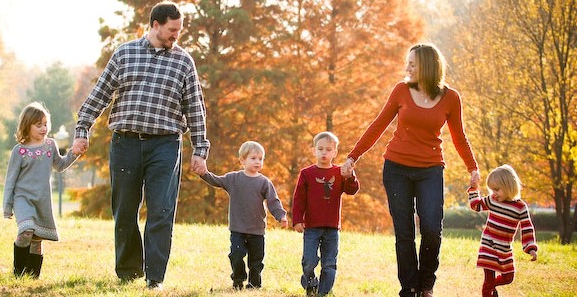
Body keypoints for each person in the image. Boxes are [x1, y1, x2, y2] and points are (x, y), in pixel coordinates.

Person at [70, 1, 210, 290]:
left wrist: (200, 150)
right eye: (172, 29)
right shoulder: (125, 53)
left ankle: (154, 278)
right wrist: (82, 128)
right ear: (155, 24)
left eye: (179, 30)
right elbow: (100, 94)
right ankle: (128, 272)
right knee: (124, 210)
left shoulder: (184, 61)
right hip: (126, 143)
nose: (176, 35)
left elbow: (195, 109)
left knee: (161, 210)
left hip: (165, 145)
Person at [341, 43, 481, 297]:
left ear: (427, 66)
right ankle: (409, 288)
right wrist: (353, 156)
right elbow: (379, 125)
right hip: (396, 169)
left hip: (430, 170)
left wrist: (472, 167)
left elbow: (459, 136)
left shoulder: (451, 98)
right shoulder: (401, 91)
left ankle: (426, 285)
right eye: (407, 63)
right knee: (404, 232)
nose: (407, 68)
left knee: (431, 229)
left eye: (412, 63)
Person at [194, 141, 288, 290]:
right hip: (238, 229)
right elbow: (216, 180)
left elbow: (273, 201)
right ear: (243, 160)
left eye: (260, 158)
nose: (257, 161)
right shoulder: (233, 179)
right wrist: (204, 174)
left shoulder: (264, 182)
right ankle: (238, 280)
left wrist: (281, 216)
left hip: (257, 230)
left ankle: (254, 284)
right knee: (236, 255)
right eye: (253, 158)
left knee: (256, 261)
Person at [3, 102, 79, 279]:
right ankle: (18, 273)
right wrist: (7, 206)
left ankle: (32, 277)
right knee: (26, 231)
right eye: (39, 125)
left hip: (42, 199)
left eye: (45, 124)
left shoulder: (50, 146)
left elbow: (60, 166)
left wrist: (73, 153)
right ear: (27, 125)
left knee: (36, 239)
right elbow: (10, 181)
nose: (44, 128)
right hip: (22, 199)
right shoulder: (19, 151)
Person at [293, 132, 359, 297]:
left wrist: (350, 176)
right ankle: (310, 283)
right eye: (320, 149)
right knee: (309, 262)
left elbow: (352, 190)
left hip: (331, 227)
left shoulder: (339, 173)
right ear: (313, 150)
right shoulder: (307, 173)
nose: (324, 152)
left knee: (329, 263)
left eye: (328, 149)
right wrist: (297, 220)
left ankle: (323, 292)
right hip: (312, 227)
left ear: (335, 152)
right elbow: (299, 198)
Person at [468, 164, 538, 297]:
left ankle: (490, 288)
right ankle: (489, 290)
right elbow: (476, 205)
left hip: (504, 249)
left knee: (508, 278)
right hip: (488, 246)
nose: (493, 193)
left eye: (497, 189)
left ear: (509, 186)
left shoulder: (520, 207)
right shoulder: (493, 200)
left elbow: (527, 227)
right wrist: (473, 188)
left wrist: (530, 247)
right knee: (488, 280)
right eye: (492, 190)